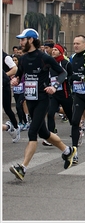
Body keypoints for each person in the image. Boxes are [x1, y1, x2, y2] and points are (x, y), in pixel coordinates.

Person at [9, 28, 76, 181]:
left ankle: (23, 168)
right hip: (30, 99)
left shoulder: (44, 57)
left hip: (42, 100)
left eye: (23, 40)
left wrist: (55, 86)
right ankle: (68, 151)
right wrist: (15, 80)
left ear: (31, 40)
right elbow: (20, 74)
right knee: (44, 133)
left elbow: (63, 73)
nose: (20, 43)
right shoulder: (24, 58)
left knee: (32, 133)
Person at [46, 44, 73, 139]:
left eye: (56, 50)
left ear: (61, 52)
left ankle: (77, 131)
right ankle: (52, 136)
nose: (53, 51)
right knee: (50, 113)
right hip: (53, 95)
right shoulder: (49, 64)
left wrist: (64, 79)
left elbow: (71, 76)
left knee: (70, 115)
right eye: (53, 50)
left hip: (65, 93)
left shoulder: (66, 63)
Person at [3, 49, 21, 142]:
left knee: (7, 109)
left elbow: (15, 69)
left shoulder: (5, 57)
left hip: (4, 85)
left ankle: (15, 126)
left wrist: (4, 75)